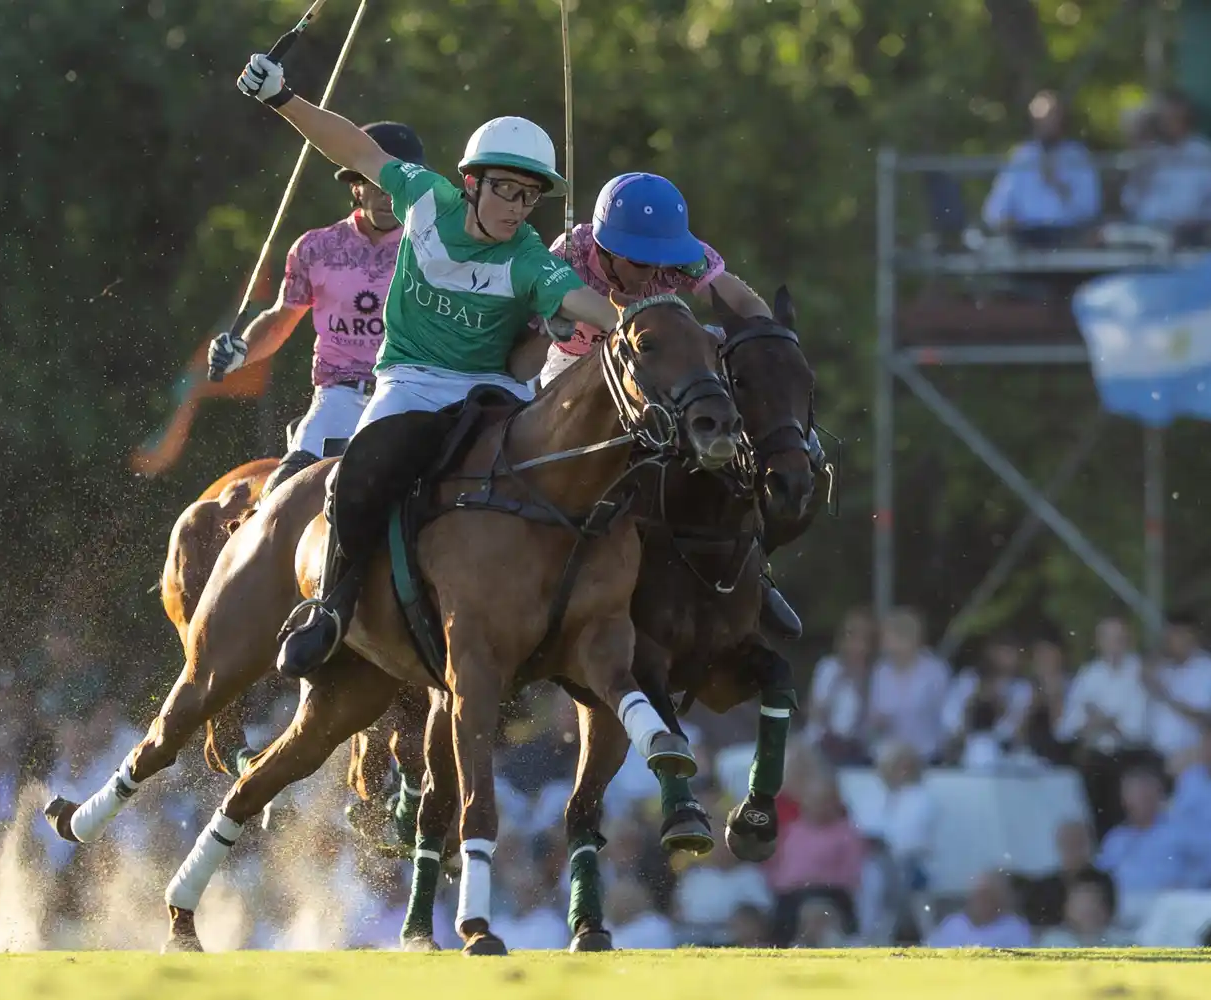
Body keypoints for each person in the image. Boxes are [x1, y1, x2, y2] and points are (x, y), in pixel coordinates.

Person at [236, 52, 625, 677]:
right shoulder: (423, 196)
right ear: (471, 182)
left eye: (528, 196)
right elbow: (353, 149)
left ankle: (548, 618)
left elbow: (586, 302)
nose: (516, 207)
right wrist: (284, 98)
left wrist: (636, 329)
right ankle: (332, 608)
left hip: (492, 390)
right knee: (356, 471)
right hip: (410, 383)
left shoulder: (529, 257)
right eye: (504, 189)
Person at [537, 172, 805, 637]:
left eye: (664, 260)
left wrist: (768, 345)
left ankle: (751, 571)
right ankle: (549, 573)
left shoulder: (679, 254)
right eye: (642, 264)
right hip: (579, 372)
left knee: (724, 436)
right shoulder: (568, 255)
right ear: (606, 249)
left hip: (661, 374)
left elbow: (741, 300)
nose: (655, 272)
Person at [208, 122, 428, 497]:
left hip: (410, 394)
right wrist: (242, 351)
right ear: (355, 185)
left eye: (397, 183)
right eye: (376, 181)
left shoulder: (434, 248)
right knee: (283, 494)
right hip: (339, 398)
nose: (387, 195)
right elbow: (280, 320)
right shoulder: (316, 248)